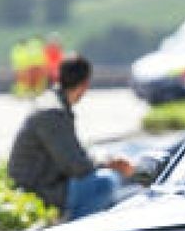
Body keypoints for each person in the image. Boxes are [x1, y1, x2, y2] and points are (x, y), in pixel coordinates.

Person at [8, 56, 133, 220]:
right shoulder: (52, 112)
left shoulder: (53, 105)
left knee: (118, 190)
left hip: (44, 184)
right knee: (107, 182)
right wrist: (110, 165)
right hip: (37, 191)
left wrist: (104, 161)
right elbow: (76, 166)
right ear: (85, 84)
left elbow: (74, 156)